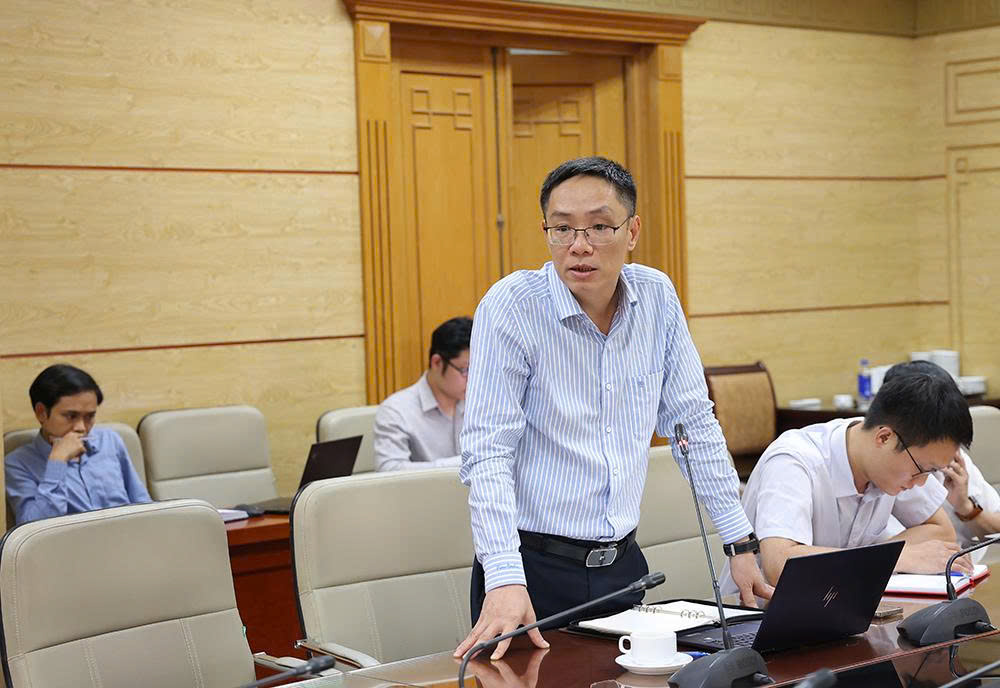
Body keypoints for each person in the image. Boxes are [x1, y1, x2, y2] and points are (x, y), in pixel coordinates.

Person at [455, 157, 771, 661]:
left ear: (632, 231)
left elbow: (694, 426)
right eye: (562, 229)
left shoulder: (657, 297)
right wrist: (504, 576)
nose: (579, 245)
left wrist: (739, 542)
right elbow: (488, 453)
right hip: (531, 571)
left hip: (623, 569)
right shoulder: (512, 306)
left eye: (600, 227)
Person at [719, 364, 975, 596]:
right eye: (922, 469)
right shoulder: (794, 460)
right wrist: (893, 559)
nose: (920, 483)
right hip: (756, 617)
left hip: (838, 605)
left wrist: (872, 560)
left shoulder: (893, 459)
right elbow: (781, 565)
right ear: (884, 438)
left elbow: (941, 532)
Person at [5, 364, 151, 525]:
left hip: (126, 535)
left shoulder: (110, 441)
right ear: (41, 413)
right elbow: (33, 529)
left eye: (89, 416)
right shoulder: (17, 464)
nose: (81, 427)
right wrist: (57, 461)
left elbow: (143, 504)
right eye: (71, 416)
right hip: (72, 541)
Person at [883, 361, 1000, 553]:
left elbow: (996, 527)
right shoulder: (884, 471)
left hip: (967, 566)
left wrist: (966, 508)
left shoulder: (955, 460)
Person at [373, 316, 472, 471]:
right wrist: (459, 464)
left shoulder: (482, 403)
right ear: (437, 362)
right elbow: (389, 469)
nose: (473, 380)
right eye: (465, 370)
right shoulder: (396, 411)